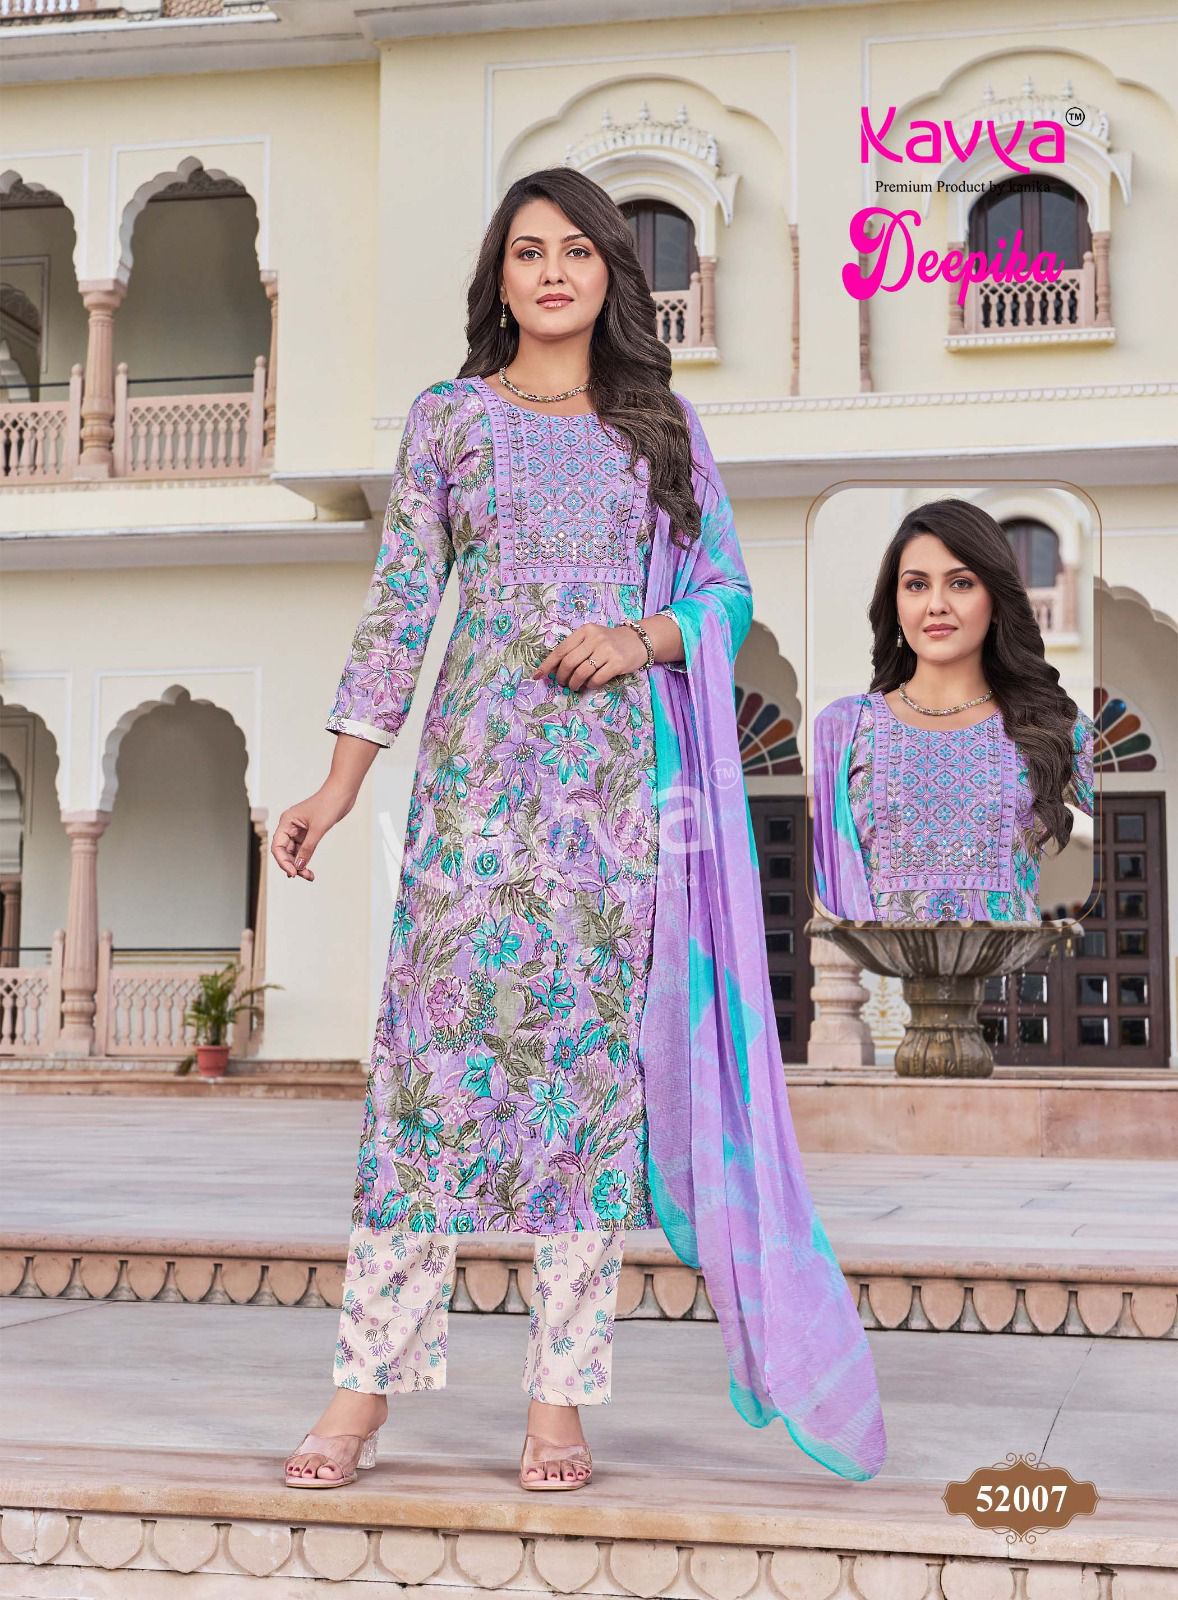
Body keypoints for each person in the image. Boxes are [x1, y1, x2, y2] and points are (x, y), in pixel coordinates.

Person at [272, 167, 886, 1493]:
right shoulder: (448, 419)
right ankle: (363, 1388)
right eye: (527, 252)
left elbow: (723, 592)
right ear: (497, 279)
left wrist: (640, 634)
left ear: (610, 273)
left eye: (577, 252)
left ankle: (558, 1402)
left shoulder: (658, 427)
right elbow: (400, 608)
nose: (552, 272)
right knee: (428, 1079)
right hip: (471, 795)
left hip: (613, 806)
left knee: (588, 1090)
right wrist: (338, 784)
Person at [812, 498, 1095, 922]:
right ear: (896, 603)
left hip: (1007, 964)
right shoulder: (845, 729)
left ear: (996, 602)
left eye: (961, 583)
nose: (936, 604)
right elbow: (824, 894)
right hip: (873, 966)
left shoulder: (1047, 725)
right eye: (916, 585)